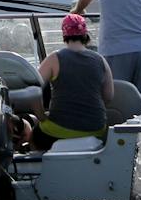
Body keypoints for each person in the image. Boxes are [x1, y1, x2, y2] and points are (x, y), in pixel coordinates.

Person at [24, 13, 115, 151]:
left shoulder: (54, 59)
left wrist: (41, 116)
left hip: (59, 131)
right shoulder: (101, 60)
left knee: (34, 137)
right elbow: (108, 97)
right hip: (96, 130)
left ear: (64, 34)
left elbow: (32, 92)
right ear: (85, 34)